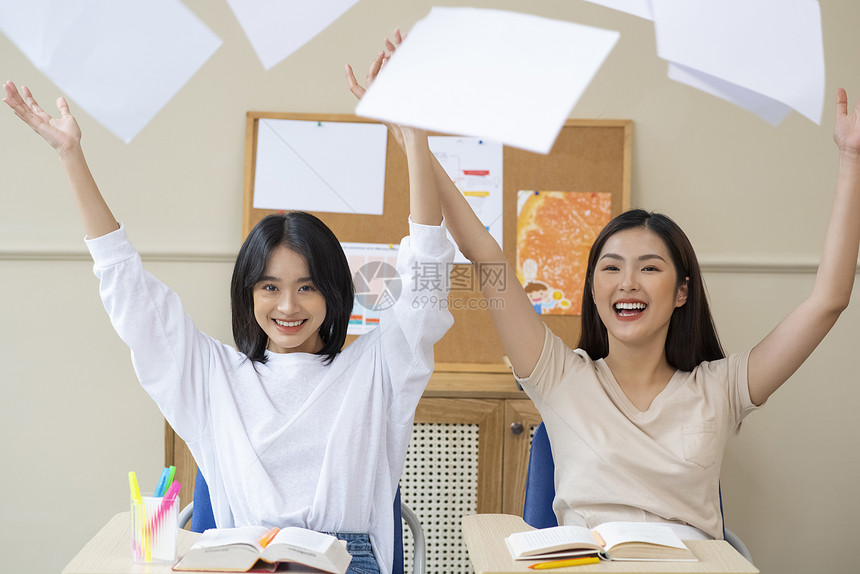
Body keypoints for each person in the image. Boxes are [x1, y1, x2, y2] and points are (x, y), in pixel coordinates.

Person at [347, 33, 860, 540]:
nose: (627, 283)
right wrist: (413, 138)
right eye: (610, 268)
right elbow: (486, 255)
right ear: (593, 289)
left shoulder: (720, 388)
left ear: (682, 291)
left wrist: (851, 161)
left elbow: (828, 300)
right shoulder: (558, 375)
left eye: (650, 268)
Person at [3, 80, 454, 574]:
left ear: (334, 291)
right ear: (247, 293)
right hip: (244, 561)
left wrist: (415, 140)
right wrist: (71, 156)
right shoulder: (212, 376)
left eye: (307, 287)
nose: (287, 306)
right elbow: (128, 291)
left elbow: (425, 284)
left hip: (344, 564)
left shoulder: (376, 369)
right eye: (269, 287)